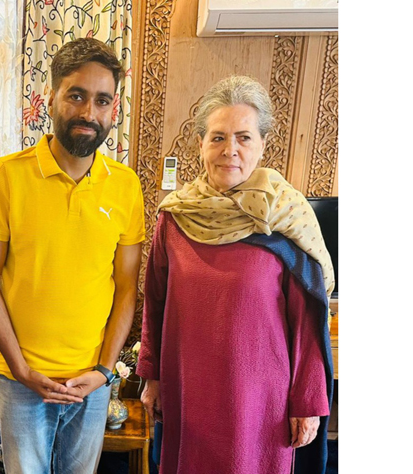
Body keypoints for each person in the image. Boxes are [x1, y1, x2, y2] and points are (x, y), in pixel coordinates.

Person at [136, 75, 335, 474]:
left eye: (244, 137)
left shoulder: (286, 219)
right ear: (200, 144)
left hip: (260, 404)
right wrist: (151, 376)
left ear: (262, 145)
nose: (230, 150)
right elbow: (155, 304)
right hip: (188, 392)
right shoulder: (174, 218)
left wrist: (308, 402)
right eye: (218, 137)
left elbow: (307, 322)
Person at [0, 38, 145, 474]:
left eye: (102, 100)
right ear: (50, 98)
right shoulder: (7, 176)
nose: (89, 112)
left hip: (91, 382)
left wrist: (105, 371)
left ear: (114, 109)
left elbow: (126, 288)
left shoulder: (126, 187)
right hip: (19, 382)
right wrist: (21, 370)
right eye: (76, 95)